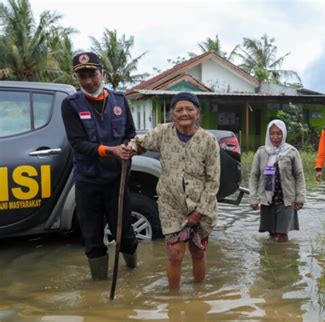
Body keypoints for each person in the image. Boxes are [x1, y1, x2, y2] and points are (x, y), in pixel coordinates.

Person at [129, 92, 220, 289]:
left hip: (200, 204)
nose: (184, 113)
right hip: (171, 203)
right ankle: (173, 300)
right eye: (179, 110)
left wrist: (198, 212)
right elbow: (140, 143)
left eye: (189, 109)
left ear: (197, 112)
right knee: (174, 254)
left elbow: (213, 181)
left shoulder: (208, 140)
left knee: (198, 252)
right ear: (172, 114)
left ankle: (198, 295)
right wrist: (128, 149)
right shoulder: (163, 132)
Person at [61, 52, 138, 280]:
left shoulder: (119, 100)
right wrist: (110, 150)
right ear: (76, 78)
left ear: (102, 73)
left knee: (125, 234)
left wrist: (127, 147)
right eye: (81, 75)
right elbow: (78, 144)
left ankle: (133, 274)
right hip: (88, 182)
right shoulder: (71, 105)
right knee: (92, 238)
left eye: (92, 74)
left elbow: (130, 134)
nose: (88, 81)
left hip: (117, 180)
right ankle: (98, 287)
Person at [249, 120, 306, 242]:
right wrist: (253, 198)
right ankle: (272, 258)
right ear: (268, 135)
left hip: (286, 200)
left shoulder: (291, 152)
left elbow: (299, 176)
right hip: (268, 199)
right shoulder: (261, 152)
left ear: (284, 134)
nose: (275, 137)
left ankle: (283, 258)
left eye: (279, 133)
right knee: (271, 233)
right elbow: (254, 176)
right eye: (272, 133)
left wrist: (300, 198)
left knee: (282, 234)